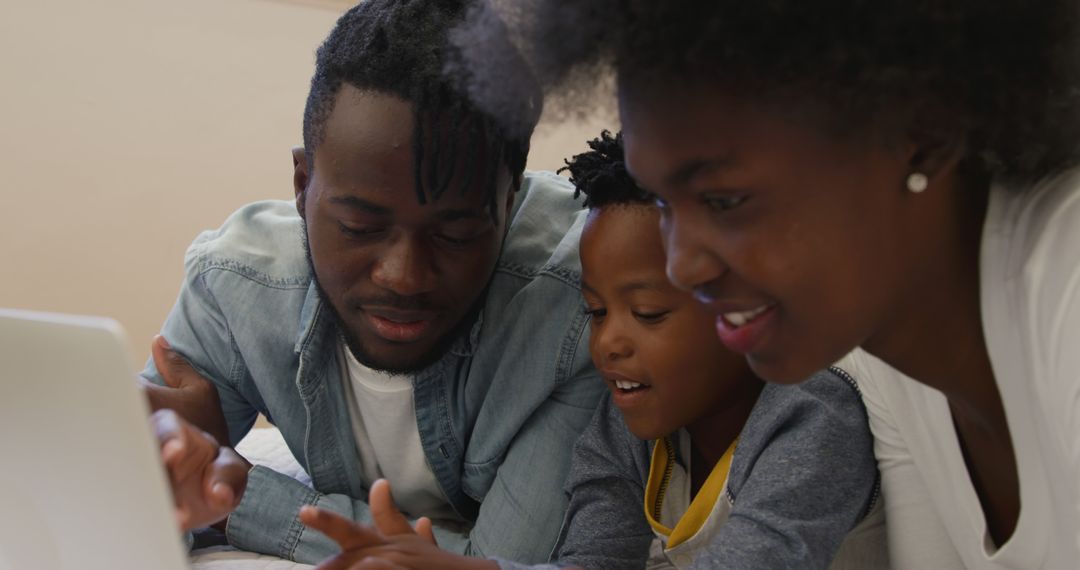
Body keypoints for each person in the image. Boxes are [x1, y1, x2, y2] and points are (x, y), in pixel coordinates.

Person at [448, 1, 1080, 568]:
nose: (684, 267)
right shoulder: (882, 360)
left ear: (920, 131)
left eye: (724, 199)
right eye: (667, 205)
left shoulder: (1065, 288)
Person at [140, 0, 605, 564]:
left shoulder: (583, 303)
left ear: (510, 202)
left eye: (455, 234)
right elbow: (125, 503)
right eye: (359, 226)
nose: (403, 277)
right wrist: (165, 466)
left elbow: (495, 561)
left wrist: (238, 497)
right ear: (302, 183)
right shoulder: (236, 285)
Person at [297, 131, 888, 570]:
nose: (608, 344)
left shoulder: (810, 416)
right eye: (596, 311)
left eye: (649, 313)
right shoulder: (626, 431)